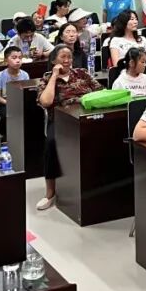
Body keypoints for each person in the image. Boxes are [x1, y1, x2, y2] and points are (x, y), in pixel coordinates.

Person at [36, 45, 101, 211]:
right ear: (53, 60)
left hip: (85, 117)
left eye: (69, 57)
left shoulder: (82, 73)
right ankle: (50, 193)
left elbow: (101, 92)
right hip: (60, 122)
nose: (67, 60)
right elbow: (46, 102)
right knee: (51, 144)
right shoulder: (47, 78)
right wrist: (54, 76)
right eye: (62, 57)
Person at [0, 46, 27, 128]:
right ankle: (6, 134)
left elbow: (26, 93)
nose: (18, 60)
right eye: (14, 58)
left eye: (20, 58)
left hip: (20, 103)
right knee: (6, 114)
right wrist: (10, 103)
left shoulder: (25, 75)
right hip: (5, 103)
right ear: (6, 60)